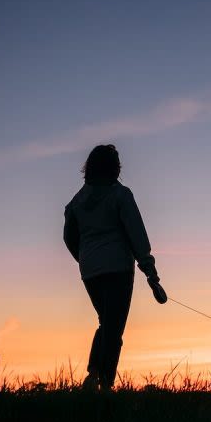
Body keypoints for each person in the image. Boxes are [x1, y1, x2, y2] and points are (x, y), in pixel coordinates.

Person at [63, 144, 161, 390]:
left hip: (90, 270)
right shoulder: (120, 195)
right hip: (117, 268)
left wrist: (83, 258)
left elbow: (68, 237)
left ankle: (94, 374)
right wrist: (149, 268)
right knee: (113, 327)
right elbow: (136, 232)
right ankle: (104, 382)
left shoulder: (76, 202)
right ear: (114, 168)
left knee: (106, 321)